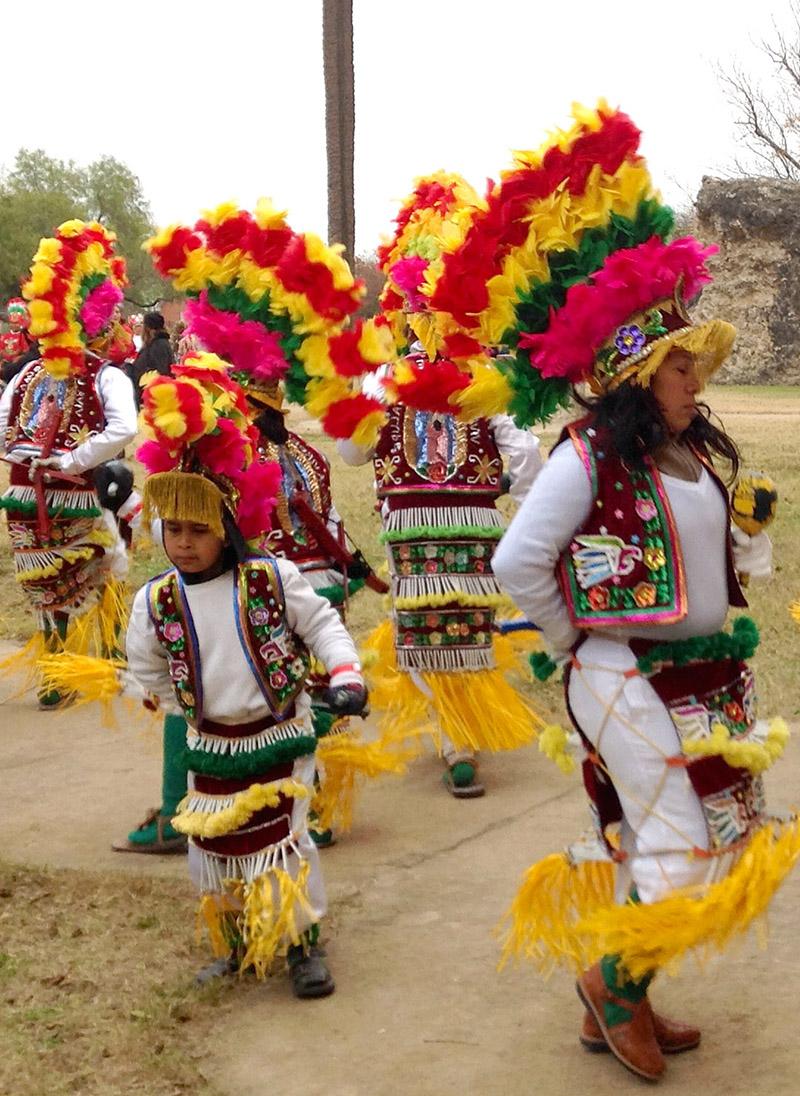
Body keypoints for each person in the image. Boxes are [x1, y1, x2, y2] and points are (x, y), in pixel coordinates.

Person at [486, 105, 799, 1083]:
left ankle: (623, 994)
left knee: (693, 831)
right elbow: (514, 562)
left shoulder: (692, 449)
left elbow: (718, 563)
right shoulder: (585, 456)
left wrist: (745, 541)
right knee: (679, 844)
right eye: (675, 362)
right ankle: (610, 981)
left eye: (691, 361)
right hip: (621, 672)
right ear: (632, 370)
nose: (691, 373)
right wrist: (570, 639)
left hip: (701, 675)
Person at [126, 353, 367, 993]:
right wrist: (175, 708)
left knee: (286, 846)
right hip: (211, 746)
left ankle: (300, 945)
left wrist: (345, 672)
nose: (182, 542)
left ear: (229, 527)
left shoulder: (270, 579)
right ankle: (236, 946)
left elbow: (321, 626)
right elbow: (145, 665)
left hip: (280, 736)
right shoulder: (156, 601)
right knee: (216, 851)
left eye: (198, 529)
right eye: (172, 528)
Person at [0, 221, 137, 705]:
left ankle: (57, 676)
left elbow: (2, 431)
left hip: (23, 495)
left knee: (46, 581)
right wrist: (73, 459)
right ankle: (114, 659)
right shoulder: (107, 375)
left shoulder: (25, 375)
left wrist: (30, 457)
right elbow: (123, 429)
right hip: (81, 494)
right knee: (111, 566)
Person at [130, 311, 173, 400]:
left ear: (148, 328)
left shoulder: (159, 345)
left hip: (153, 396)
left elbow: (163, 371)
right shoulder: (153, 344)